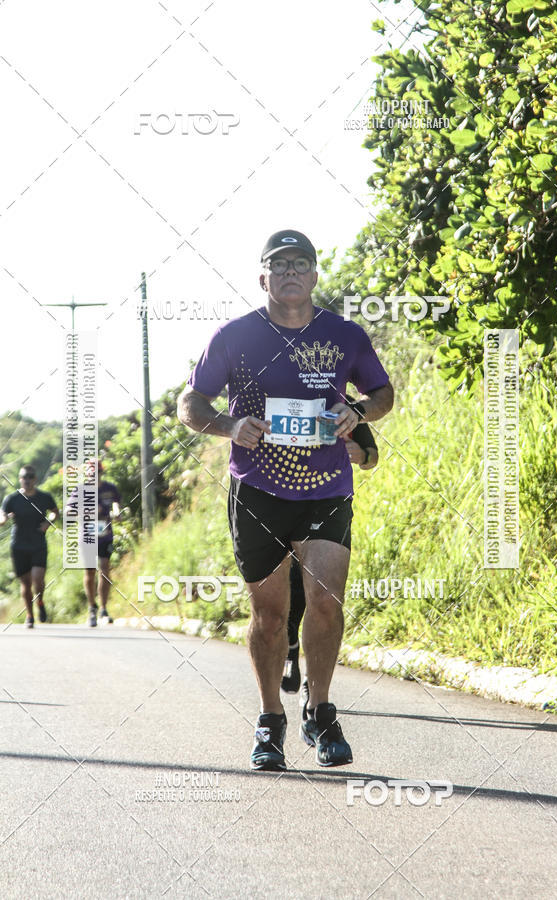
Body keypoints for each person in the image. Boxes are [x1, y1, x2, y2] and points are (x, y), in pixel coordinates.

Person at [177, 229, 394, 770]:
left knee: (325, 602)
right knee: (270, 614)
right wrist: (229, 424)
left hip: (325, 489)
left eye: (301, 263)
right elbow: (190, 401)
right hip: (258, 492)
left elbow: (383, 393)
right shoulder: (235, 336)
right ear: (263, 278)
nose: (291, 272)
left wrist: (359, 413)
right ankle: (270, 718)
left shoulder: (345, 334)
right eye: (280, 265)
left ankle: (320, 713)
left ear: (316, 275)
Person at [281, 411, 378, 694]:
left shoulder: (344, 405)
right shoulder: (280, 393)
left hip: (328, 503)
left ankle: (315, 689)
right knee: (289, 583)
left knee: (321, 592)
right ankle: (290, 646)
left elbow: (372, 456)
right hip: (278, 501)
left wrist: (360, 454)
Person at [0, 465, 59, 628]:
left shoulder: (44, 497)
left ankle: (40, 601)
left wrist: (47, 522)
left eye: (30, 477)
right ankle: (30, 615)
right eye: (24, 477)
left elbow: (55, 511)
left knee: (38, 579)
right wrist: (2, 519)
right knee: (25, 583)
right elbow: (0, 515)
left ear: (35, 479)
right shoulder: (12, 499)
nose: (27, 480)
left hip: (38, 543)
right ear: (20, 479)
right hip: (19, 545)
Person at [82, 460, 121, 627]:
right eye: (91, 474)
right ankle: (92, 607)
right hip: (88, 535)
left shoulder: (110, 488)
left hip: (105, 534)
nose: (94, 476)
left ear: (101, 472)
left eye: (96, 473)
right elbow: (70, 509)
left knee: (105, 569)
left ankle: (104, 609)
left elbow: (116, 504)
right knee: (90, 571)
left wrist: (117, 513)